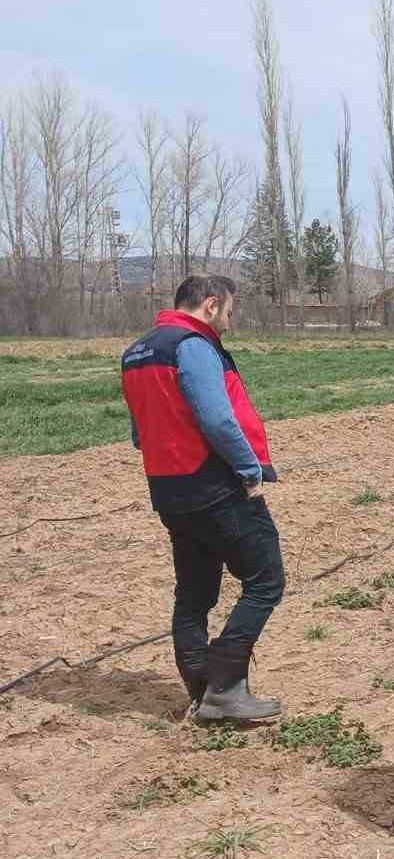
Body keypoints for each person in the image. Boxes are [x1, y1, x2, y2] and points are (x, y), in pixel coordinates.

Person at [121, 274, 284, 723]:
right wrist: (250, 470)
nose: (229, 322)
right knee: (266, 579)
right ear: (210, 305)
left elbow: (140, 432)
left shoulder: (137, 351)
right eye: (229, 312)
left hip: (168, 490)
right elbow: (218, 419)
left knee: (194, 591)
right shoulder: (192, 345)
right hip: (214, 485)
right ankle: (225, 686)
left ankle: (200, 687)